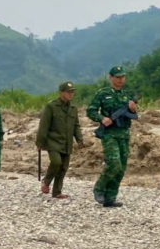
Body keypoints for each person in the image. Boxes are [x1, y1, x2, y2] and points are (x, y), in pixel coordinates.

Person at [87, 66, 137, 208]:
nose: (121, 80)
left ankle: (110, 197)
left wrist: (133, 109)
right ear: (111, 77)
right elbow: (90, 110)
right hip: (109, 134)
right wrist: (102, 118)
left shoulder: (127, 95)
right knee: (114, 163)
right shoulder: (103, 93)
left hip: (124, 134)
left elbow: (133, 113)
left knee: (121, 168)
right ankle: (99, 188)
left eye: (123, 77)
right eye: (118, 77)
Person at [36, 81, 83, 199]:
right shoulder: (51, 106)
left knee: (63, 167)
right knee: (56, 162)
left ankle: (57, 191)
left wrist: (79, 139)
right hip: (53, 141)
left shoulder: (73, 108)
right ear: (61, 92)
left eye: (72, 92)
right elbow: (44, 125)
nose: (70, 94)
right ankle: (46, 181)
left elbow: (76, 125)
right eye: (68, 92)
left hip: (67, 142)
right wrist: (40, 142)